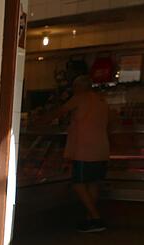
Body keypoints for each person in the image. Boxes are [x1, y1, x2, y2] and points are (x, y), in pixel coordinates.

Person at [45, 75, 111, 232]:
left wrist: (40, 120)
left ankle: (96, 218)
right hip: (101, 149)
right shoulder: (101, 101)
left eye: (75, 86)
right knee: (92, 183)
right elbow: (112, 123)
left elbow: (59, 112)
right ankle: (90, 220)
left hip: (84, 150)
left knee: (78, 184)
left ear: (79, 87)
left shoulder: (80, 98)